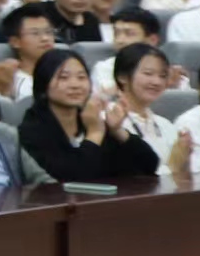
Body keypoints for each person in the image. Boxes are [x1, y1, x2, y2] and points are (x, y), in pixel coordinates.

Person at [19, 49, 160, 185]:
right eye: (64, 78)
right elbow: (70, 181)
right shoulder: (31, 130)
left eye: (81, 77)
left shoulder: (89, 120)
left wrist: (117, 131)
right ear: (43, 84)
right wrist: (94, 134)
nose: (75, 85)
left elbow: (149, 165)